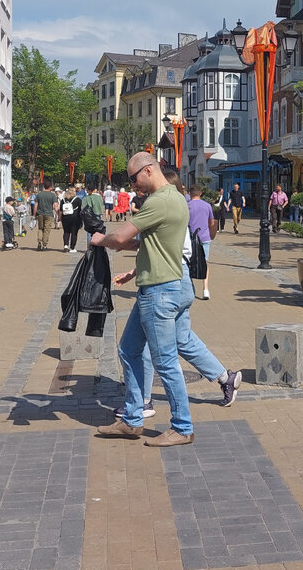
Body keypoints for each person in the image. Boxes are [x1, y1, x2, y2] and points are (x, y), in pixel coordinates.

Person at [114, 168, 241, 422]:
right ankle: (225, 377)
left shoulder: (164, 205)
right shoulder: (175, 206)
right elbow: (158, 248)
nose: (141, 189)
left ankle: (150, 404)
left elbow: (155, 248)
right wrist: (135, 271)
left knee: (154, 350)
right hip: (180, 279)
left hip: (166, 281)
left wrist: (103, 241)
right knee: (182, 339)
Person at [91, 152, 196, 447]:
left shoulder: (159, 200)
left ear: (148, 170)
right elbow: (154, 242)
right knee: (128, 350)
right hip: (162, 286)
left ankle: (182, 427)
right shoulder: (175, 197)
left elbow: (123, 236)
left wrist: (102, 240)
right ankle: (132, 420)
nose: (133, 185)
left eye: (134, 178)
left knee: (164, 362)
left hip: (160, 292)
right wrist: (133, 268)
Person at [187, 185, 218, 299]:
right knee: (204, 262)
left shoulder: (187, 206)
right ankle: (205, 289)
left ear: (190, 194)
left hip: (190, 238)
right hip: (204, 237)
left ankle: (190, 288)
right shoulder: (207, 205)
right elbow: (212, 222)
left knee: (188, 262)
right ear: (200, 193)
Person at [33, 179, 58, 251]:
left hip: (40, 214)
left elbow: (35, 205)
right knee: (47, 229)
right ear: (50, 187)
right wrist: (58, 215)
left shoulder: (39, 195)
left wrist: (34, 214)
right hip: (49, 214)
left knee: (40, 228)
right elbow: (56, 206)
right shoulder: (53, 195)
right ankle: (45, 244)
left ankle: (39, 242)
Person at [60, 186, 82, 252]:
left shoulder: (63, 200)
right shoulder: (77, 199)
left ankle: (66, 245)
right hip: (75, 218)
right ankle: (72, 247)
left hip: (65, 217)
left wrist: (60, 217)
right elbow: (80, 209)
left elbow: (61, 209)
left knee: (66, 232)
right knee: (74, 232)